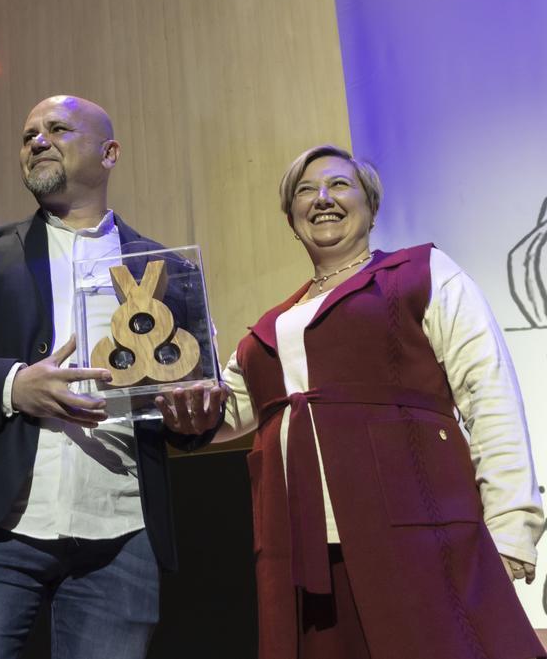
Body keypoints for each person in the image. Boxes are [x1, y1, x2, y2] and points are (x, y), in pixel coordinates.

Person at [161, 144, 544, 658]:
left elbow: (488, 391)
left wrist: (513, 525)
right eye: (305, 190)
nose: (322, 198)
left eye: (340, 185)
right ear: (291, 218)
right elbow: (227, 413)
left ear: (371, 206)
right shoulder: (268, 329)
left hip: (420, 537)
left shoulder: (421, 273)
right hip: (306, 554)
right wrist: (173, 390)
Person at [0, 95, 219, 659]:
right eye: (28, 135)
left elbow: (187, 413)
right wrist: (13, 385)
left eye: (58, 128)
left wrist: (196, 415)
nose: (37, 141)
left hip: (122, 537)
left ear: (109, 152)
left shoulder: (168, 269)